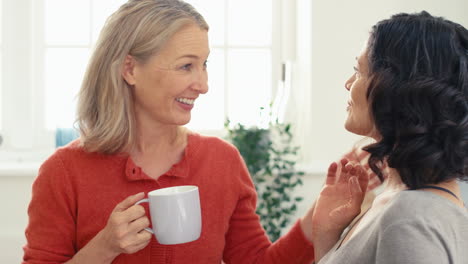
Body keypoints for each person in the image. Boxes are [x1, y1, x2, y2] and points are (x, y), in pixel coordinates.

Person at [22, 1, 370, 263]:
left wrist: (316, 220)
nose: (203, 85)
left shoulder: (222, 160)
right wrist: (104, 248)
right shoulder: (64, 171)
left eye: (204, 65)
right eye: (186, 66)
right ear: (130, 68)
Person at [314, 11, 468, 263]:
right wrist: (328, 236)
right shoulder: (398, 203)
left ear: (397, 89)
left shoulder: (411, 216)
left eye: (359, 70)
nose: (348, 83)